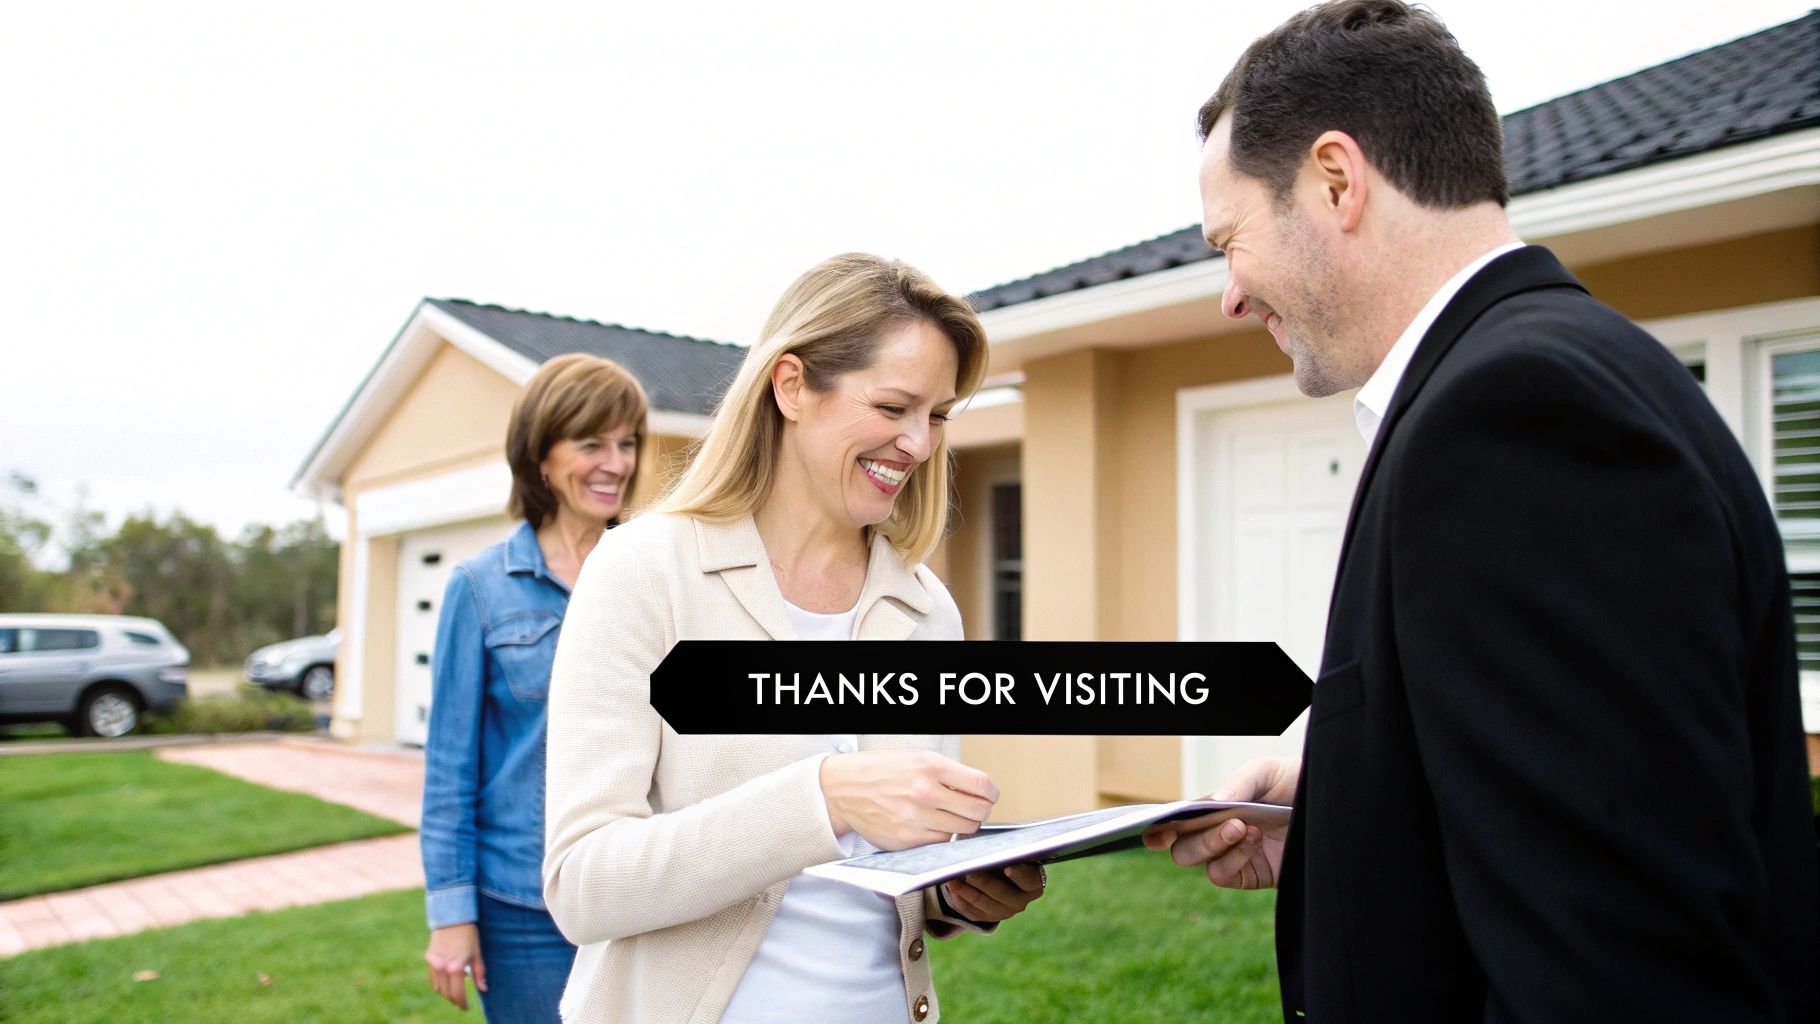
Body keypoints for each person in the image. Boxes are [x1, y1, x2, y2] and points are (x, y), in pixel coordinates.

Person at [1144, 2, 1820, 1019]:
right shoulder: (1564, 369)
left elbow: (1614, 969)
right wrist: (1343, 811)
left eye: (1228, 241)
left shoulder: (1514, 421)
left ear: (1335, 179)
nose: (1229, 297)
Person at [543, 253, 1044, 1024]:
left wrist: (959, 895)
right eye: (892, 407)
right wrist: (821, 799)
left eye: (938, 415)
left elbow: (894, 870)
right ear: (792, 387)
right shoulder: (645, 572)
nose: (918, 443)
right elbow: (583, 884)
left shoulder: (924, 610)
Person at [420, 353, 649, 1022]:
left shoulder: (652, 573)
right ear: (541, 456)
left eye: (627, 442)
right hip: (523, 909)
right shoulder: (480, 589)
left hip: (641, 887)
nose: (615, 462)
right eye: (591, 443)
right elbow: (450, 771)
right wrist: (451, 914)